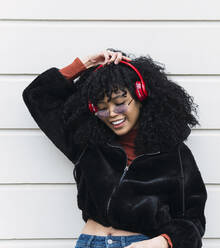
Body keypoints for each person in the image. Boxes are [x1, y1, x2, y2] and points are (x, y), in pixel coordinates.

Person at [22, 48, 208, 248]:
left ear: (141, 96)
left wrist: (161, 243)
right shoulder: (87, 143)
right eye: (101, 107)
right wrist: (85, 63)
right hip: (89, 242)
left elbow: (193, 220)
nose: (111, 113)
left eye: (120, 103)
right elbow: (38, 96)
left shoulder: (174, 154)